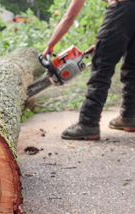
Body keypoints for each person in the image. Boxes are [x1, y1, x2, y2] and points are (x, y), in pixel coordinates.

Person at [43, 0, 135, 140]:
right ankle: (129, 115)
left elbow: (69, 17)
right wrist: (104, 42)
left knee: (101, 67)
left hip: (121, 8)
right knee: (132, 67)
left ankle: (88, 123)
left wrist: (50, 46)